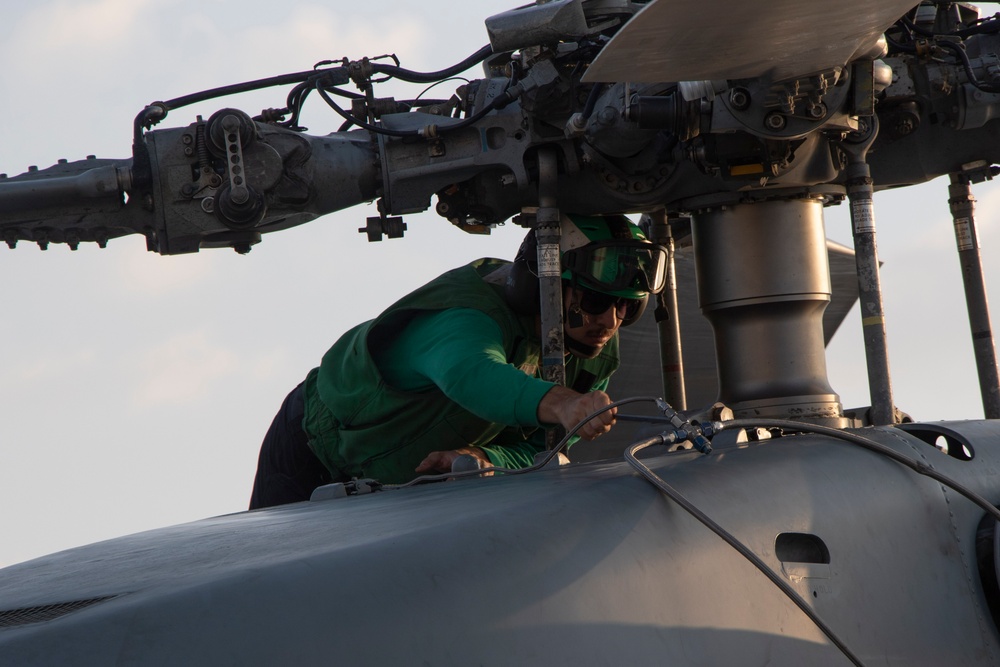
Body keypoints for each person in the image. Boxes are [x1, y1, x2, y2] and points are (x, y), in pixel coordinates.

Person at [249, 214, 667, 508]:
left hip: (402, 488)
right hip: (314, 453)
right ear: (549, 285)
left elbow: (541, 451)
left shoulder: (591, 354)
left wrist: (487, 459)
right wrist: (564, 403)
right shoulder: (468, 315)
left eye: (626, 309)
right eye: (596, 301)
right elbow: (472, 373)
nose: (610, 322)